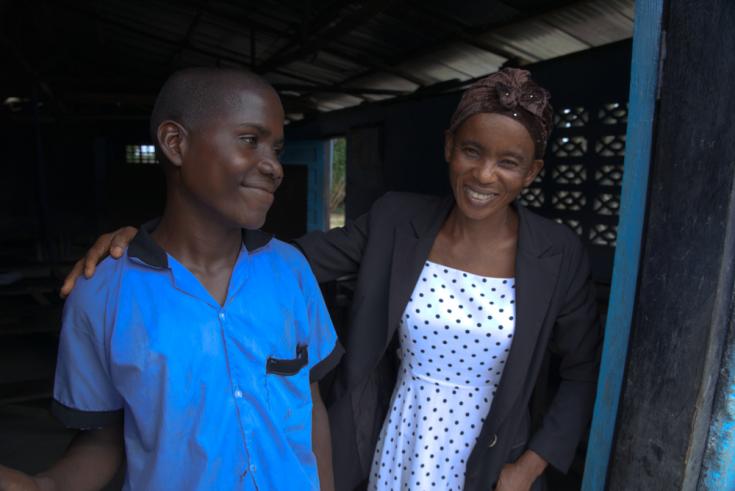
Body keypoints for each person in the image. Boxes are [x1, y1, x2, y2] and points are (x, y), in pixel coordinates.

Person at [58, 68, 600, 491]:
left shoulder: (557, 255)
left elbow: (580, 372)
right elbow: (272, 260)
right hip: (399, 442)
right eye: (473, 152)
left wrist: (529, 467)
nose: (485, 176)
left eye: (509, 163)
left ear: (531, 173)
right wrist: (145, 243)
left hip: (493, 454)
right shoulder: (397, 221)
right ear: (449, 148)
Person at [0, 68, 342, 491]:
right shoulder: (102, 292)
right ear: (175, 143)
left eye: (276, 147)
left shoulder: (290, 270)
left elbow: (311, 409)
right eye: (250, 140)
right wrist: (44, 486)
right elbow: (104, 439)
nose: (274, 166)